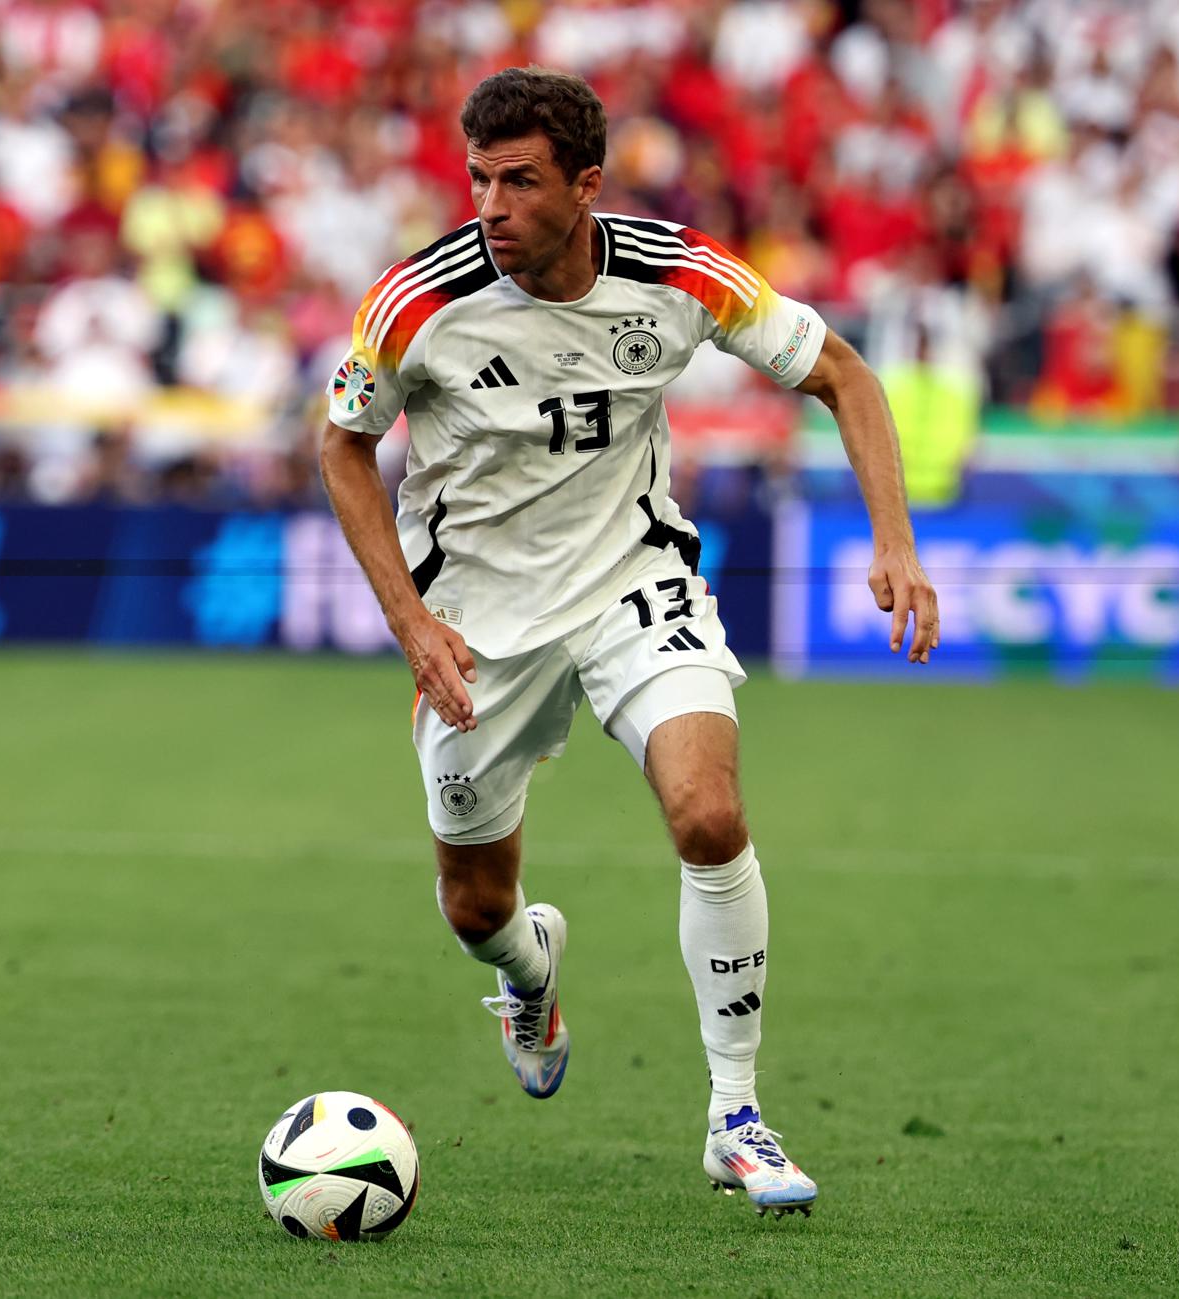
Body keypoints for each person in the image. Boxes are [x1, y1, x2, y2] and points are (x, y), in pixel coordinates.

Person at [319, 68, 938, 1219]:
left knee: (711, 816)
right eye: (478, 179)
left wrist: (894, 538)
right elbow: (342, 448)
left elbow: (844, 374)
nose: (490, 205)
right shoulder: (416, 302)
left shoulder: (684, 273)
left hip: (635, 583)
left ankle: (736, 1117)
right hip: (479, 629)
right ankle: (528, 976)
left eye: (519, 181)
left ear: (586, 185)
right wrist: (410, 621)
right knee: (473, 903)